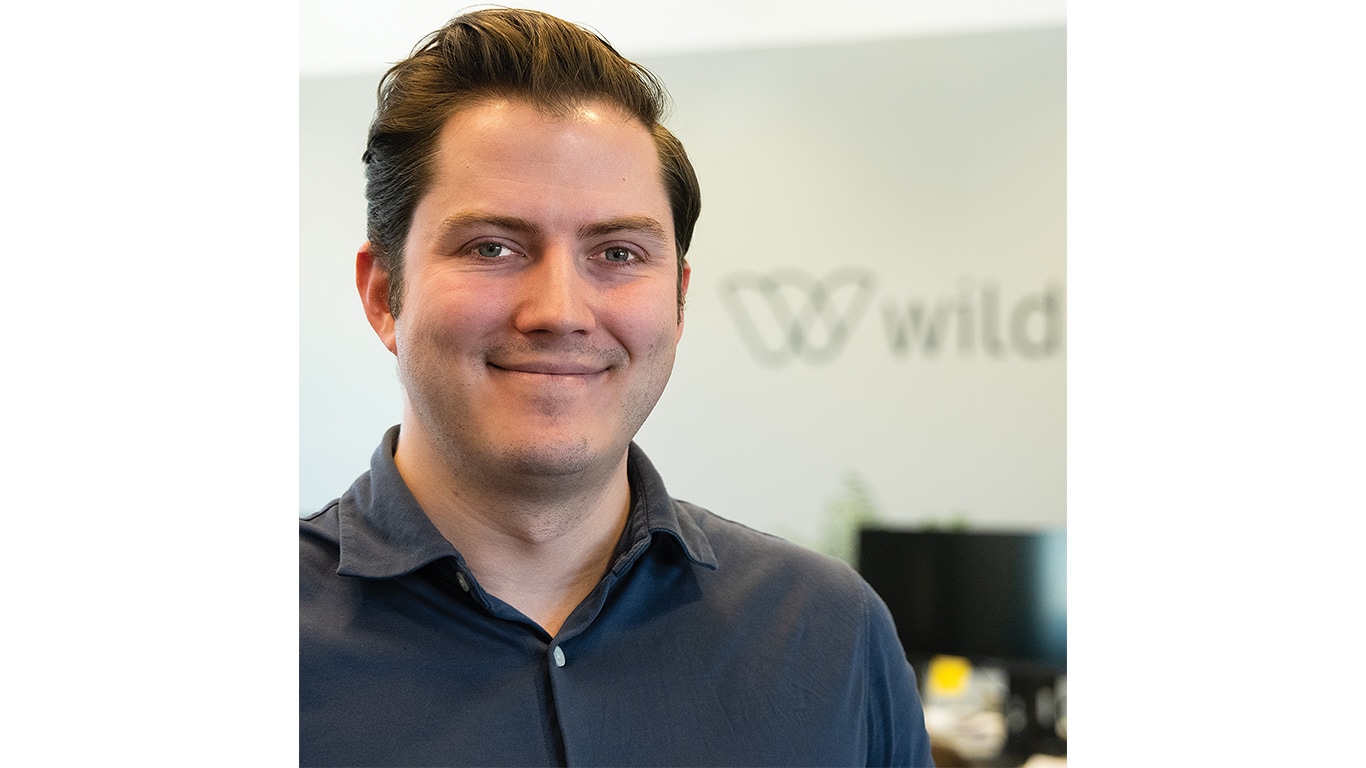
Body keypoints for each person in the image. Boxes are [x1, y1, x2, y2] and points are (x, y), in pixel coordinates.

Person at [300, 8, 935, 766]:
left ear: (678, 299)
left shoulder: (827, 635)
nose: (561, 313)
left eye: (619, 252)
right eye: (492, 246)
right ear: (383, 295)